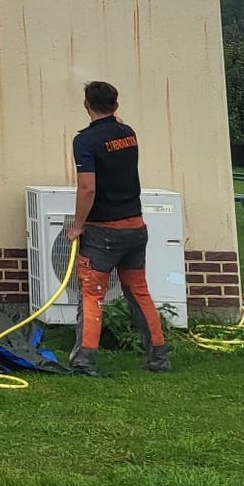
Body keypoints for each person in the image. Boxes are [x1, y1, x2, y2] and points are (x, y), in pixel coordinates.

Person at [65, 80, 170, 376]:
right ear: (116, 105)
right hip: (135, 227)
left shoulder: (85, 141)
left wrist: (77, 226)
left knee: (91, 293)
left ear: (86, 105)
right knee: (139, 291)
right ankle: (159, 357)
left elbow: (87, 188)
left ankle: (84, 361)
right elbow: (115, 135)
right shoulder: (128, 134)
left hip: (103, 232)